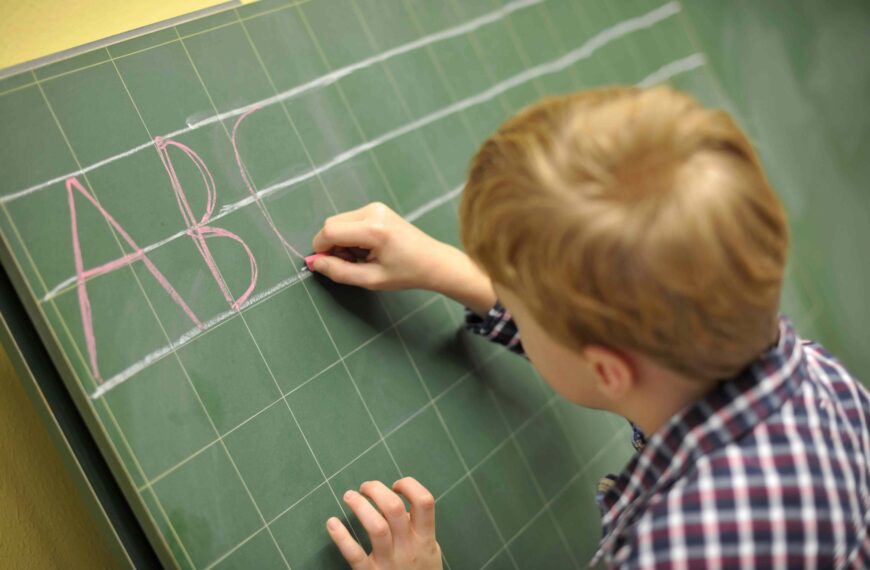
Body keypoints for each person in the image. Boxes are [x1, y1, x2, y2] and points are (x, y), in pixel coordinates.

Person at [309, 86, 870, 569]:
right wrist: (457, 273)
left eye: (519, 306)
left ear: (608, 370)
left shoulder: (673, 552)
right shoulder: (821, 383)